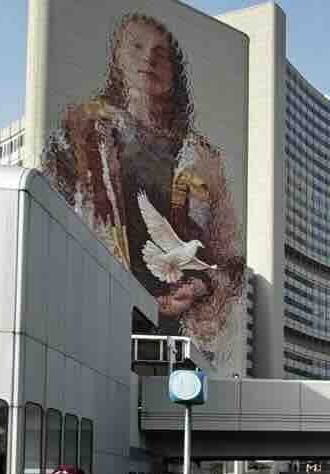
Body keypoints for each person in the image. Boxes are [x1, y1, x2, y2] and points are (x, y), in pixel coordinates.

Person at [42, 13, 246, 351]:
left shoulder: (203, 158)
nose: (148, 58)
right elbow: (50, 215)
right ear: (118, 56)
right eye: (136, 46)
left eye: (161, 53)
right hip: (93, 313)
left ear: (174, 70)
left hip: (173, 327)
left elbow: (229, 261)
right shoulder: (81, 130)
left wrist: (199, 287)